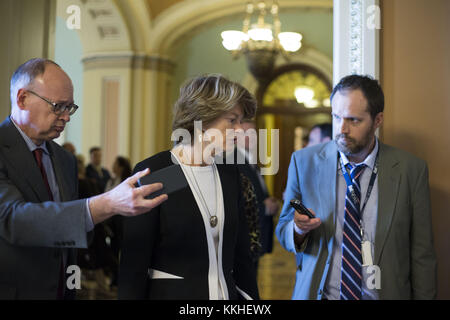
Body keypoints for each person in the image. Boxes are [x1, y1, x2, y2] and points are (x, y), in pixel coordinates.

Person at [0, 58, 168, 300]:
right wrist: (106, 203)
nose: (66, 117)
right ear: (22, 98)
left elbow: (74, 231)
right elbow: (14, 219)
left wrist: (116, 207)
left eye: (70, 107)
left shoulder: (64, 159)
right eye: (58, 106)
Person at [276, 74, 436, 300]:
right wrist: (298, 230)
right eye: (336, 117)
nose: (342, 129)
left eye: (353, 120)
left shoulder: (411, 170)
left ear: (377, 120)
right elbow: (283, 230)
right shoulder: (303, 162)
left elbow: (422, 254)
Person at [118, 74, 259, 300]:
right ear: (202, 119)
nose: (240, 130)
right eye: (232, 120)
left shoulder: (229, 173)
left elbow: (241, 256)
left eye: (241, 121)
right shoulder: (161, 172)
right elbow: (134, 263)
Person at [237, 120, 279, 261]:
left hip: (256, 235)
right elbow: (237, 200)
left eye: (253, 133)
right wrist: (264, 207)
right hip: (245, 238)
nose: (251, 137)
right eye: (246, 133)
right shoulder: (233, 161)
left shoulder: (250, 159)